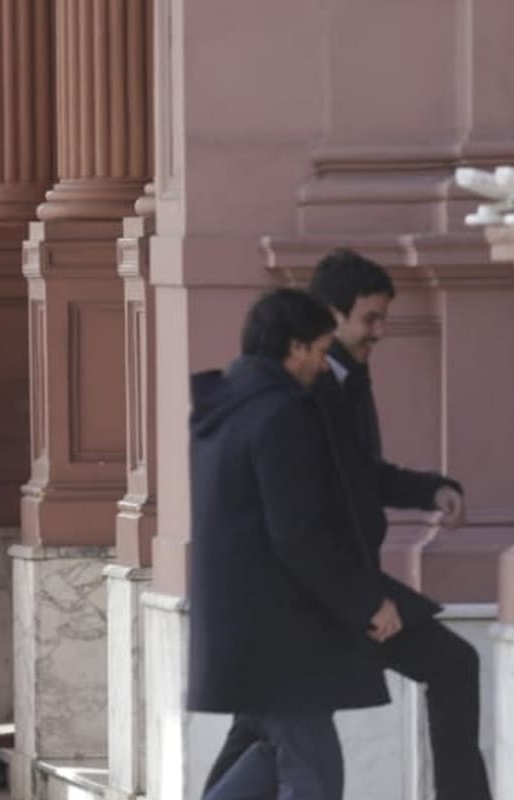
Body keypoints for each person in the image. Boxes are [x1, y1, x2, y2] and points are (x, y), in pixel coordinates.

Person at [204, 250, 493, 799]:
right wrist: (362, 599)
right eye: (370, 318)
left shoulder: (346, 377)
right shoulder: (298, 391)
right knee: (278, 725)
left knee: (267, 721)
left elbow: (359, 474)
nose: (380, 332)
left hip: (327, 582)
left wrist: (431, 489)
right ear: (330, 317)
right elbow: (295, 525)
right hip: (313, 588)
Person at [188, 288, 400, 800]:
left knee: (269, 756)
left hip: (245, 630)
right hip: (281, 634)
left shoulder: (225, 410)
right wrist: (365, 602)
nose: (326, 366)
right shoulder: (282, 414)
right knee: (315, 772)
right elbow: (298, 533)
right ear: (295, 348)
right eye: (323, 350)